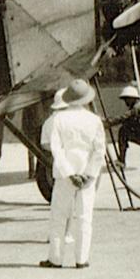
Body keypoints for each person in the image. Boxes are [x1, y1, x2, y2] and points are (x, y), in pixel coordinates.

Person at [40, 80, 106, 269]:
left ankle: (55, 258)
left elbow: (56, 150)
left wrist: (69, 174)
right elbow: (99, 150)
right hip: (87, 177)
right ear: (86, 99)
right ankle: (81, 259)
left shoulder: (59, 119)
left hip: (64, 175)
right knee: (85, 218)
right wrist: (89, 174)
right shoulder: (94, 120)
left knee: (59, 217)